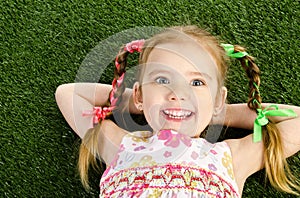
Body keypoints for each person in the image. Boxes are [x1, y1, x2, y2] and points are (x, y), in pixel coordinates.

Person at [55, 26, 300, 197]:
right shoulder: (120, 146)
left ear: (218, 99)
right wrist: (137, 99)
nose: (178, 94)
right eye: (162, 80)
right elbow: (68, 94)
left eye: (196, 83)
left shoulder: (231, 157)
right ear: (139, 94)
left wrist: (219, 112)